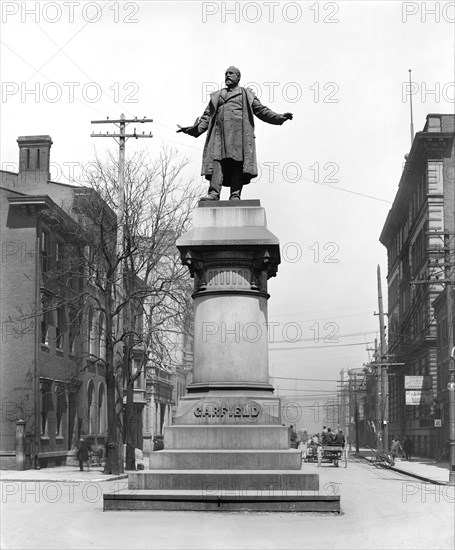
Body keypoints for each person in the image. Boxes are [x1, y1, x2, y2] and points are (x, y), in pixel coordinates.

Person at [177, 66, 293, 201]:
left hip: (239, 136)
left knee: (237, 163)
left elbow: (261, 110)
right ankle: (214, 194)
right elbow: (206, 117)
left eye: (231, 73)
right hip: (218, 136)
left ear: (238, 77)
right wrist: (192, 129)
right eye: (226, 74)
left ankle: (235, 195)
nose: (228, 76)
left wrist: (278, 118)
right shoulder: (217, 96)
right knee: (217, 162)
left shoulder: (246, 94)